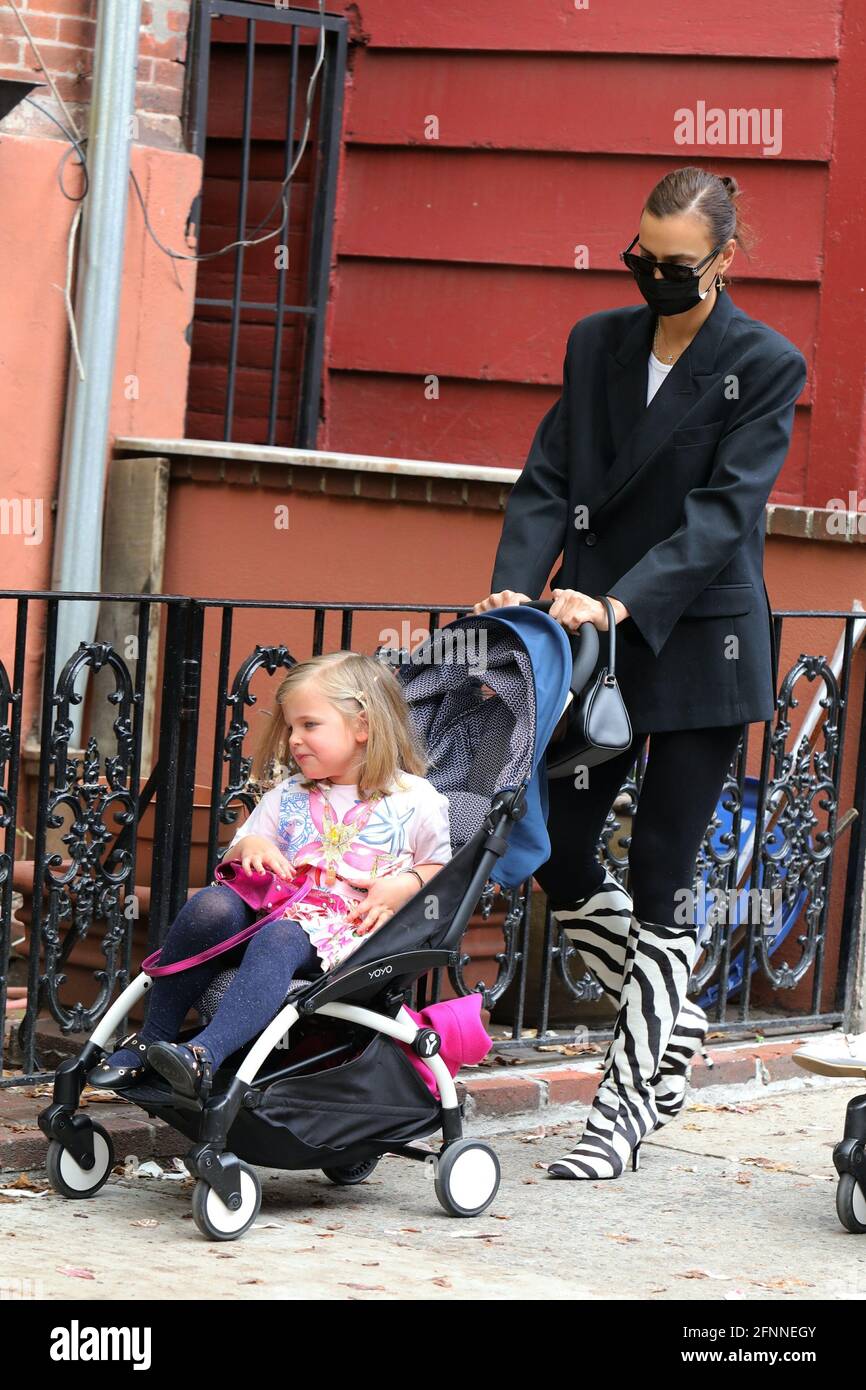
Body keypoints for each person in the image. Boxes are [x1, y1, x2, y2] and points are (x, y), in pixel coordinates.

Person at [473, 165, 807, 1180]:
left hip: (698, 639)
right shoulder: (595, 344)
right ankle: (670, 1009)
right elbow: (547, 475)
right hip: (585, 634)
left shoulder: (764, 362)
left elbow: (721, 514)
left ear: (722, 259)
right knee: (557, 846)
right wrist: (513, 588)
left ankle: (620, 1109)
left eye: (674, 265)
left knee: (663, 870)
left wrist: (619, 600)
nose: (652, 276)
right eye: (639, 258)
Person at [88, 652, 451, 1101]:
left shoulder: (414, 799)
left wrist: (407, 884)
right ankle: (152, 1038)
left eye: (309, 726)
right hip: (275, 908)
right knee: (211, 905)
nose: (294, 740)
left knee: (280, 937)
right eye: (291, 727)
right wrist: (253, 846)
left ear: (363, 727)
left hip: (348, 933)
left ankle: (204, 1054)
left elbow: (440, 869)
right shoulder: (289, 794)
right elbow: (242, 849)